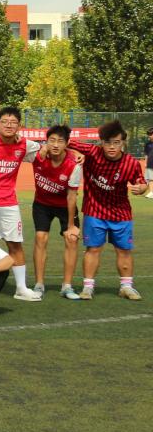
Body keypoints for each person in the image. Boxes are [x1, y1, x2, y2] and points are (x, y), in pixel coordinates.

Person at [69, 120, 148, 300]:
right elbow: (65, 140)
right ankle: (88, 287)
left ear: (123, 143)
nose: (112, 147)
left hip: (121, 213)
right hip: (94, 211)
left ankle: (126, 287)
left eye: (116, 143)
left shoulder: (131, 163)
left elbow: (142, 183)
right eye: (107, 142)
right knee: (93, 249)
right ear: (101, 142)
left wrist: (142, 188)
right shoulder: (93, 152)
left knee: (124, 250)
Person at [0, 106, 41, 301]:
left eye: (13, 122)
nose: (9, 125)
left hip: (9, 203)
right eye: (4, 122)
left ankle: (21, 288)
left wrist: (74, 153)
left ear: (19, 126)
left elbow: (48, 149)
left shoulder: (25, 145)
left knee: (15, 244)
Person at [31, 125, 82, 300]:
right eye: (51, 140)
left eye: (60, 141)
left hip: (64, 206)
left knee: (71, 239)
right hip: (42, 204)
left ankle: (67, 286)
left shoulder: (74, 165)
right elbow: (16, 143)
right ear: (46, 141)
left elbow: (72, 196)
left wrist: (71, 225)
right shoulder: (37, 155)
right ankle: (39, 284)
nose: (55, 145)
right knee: (40, 238)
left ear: (67, 144)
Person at [145, 127, 153, 200]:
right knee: (150, 178)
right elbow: (146, 154)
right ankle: (151, 192)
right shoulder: (147, 144)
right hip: (150, 163)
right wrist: (146, 163)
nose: (149, 136)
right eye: (149, 134)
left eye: (151, 134)